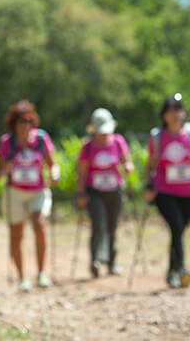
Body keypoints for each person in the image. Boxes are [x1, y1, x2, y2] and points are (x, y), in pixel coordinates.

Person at [143, 94, 190, 288]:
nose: (175, 114)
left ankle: (172, 270)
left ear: (184, 113)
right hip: (164, 190)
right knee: (176, 227)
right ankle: (180, 270)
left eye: (178, 109)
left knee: (178, 231)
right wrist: (149, 185)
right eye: (170, 110)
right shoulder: (157, 137)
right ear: (164, 115)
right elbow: (149, 165)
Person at [0, 100, 60, 292]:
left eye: (28, 121)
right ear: (14, 124)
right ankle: (22, 277)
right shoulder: (7, 142)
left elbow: (52, 164)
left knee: (40, 226)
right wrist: (4, 168)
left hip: (37, 191)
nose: (25, 126)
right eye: (21, 122)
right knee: (16, 235)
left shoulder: (41, 139)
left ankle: (41, 273)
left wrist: (54, 173)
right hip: (14, 193)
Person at [76, 108, 134, 278]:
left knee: (112, 225)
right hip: (94, 191)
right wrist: (80, 193)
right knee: (98, 223)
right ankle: (96, 259)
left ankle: (112, 261)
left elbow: (126, 160)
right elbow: (82, 173)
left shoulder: (118, 142)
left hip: (114, 190)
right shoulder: (87, 147)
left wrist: (128, 166)